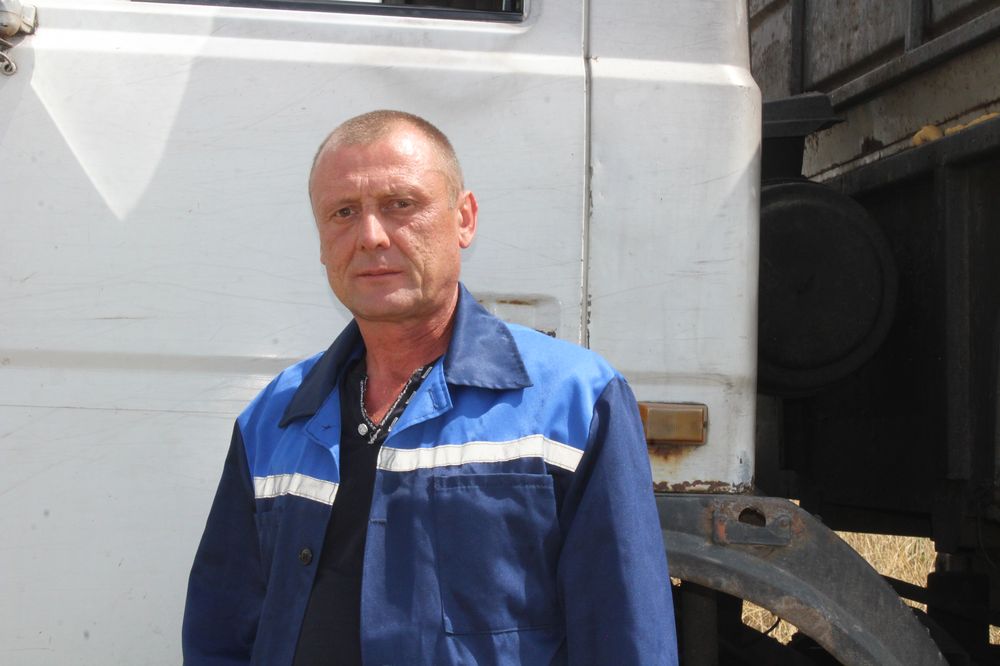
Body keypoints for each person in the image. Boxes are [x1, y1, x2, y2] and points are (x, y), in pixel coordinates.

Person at [182, 110, 678, 665]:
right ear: (321, 241)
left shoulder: (574, 402)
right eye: (343, 212)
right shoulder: (274, 419)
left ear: (463, 218)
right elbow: (220, 633)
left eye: (400, 204)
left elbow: (626, 638)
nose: (370, 236)